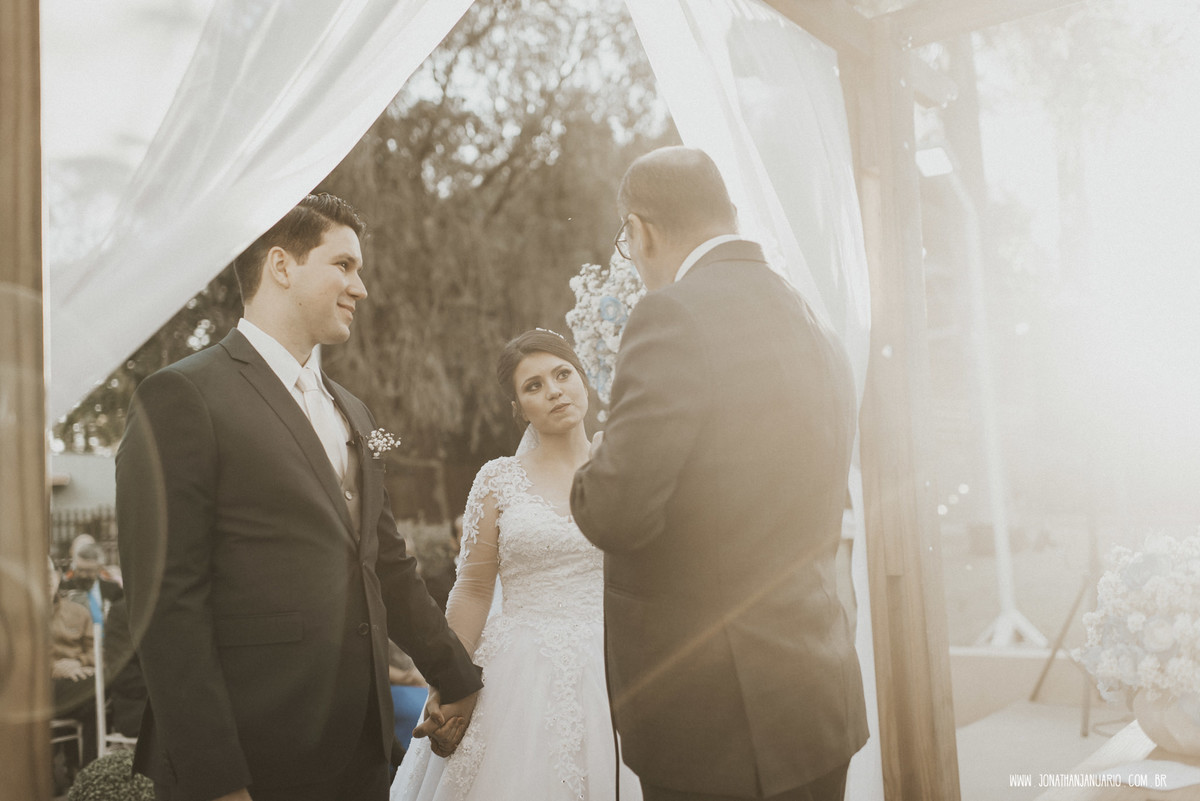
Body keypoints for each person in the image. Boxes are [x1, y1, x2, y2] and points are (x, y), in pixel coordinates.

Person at [116, 193, 481, 801]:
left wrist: (456, 677)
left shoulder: (354, 412)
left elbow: (386, 565)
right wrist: (217, 781)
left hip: (359, 756)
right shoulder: (181, 397)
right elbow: (167, 607)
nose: (360, 288)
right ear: (281, 266)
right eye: (343, 265)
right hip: (250, 760)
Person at [570, 147, 869, 801]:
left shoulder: (670, 315)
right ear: (728, 215)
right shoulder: (816, 328)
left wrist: (597, 458)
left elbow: (615, 511)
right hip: (817, 702)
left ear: (639, 231)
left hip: (717, 724)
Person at [390, 329, 641, 801]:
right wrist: (447, 681)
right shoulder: (499, 479)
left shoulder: (624, 461)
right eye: (533, 386)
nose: (553, 390)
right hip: (517, 675)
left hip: (618, 661)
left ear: (584, 380)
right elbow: (473, 590)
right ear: (519, 408)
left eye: (562, 374)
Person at [49, 556, 99, 772]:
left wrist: (78, 663)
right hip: (41, 689)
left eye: (48, 573)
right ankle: (87, 774)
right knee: (99, 694)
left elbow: (97, 652)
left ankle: (87, 773)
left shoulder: (78, 612)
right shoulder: (17, 615)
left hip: (79, 682)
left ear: (58, 576)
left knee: (99, 697)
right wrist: (53, 668)